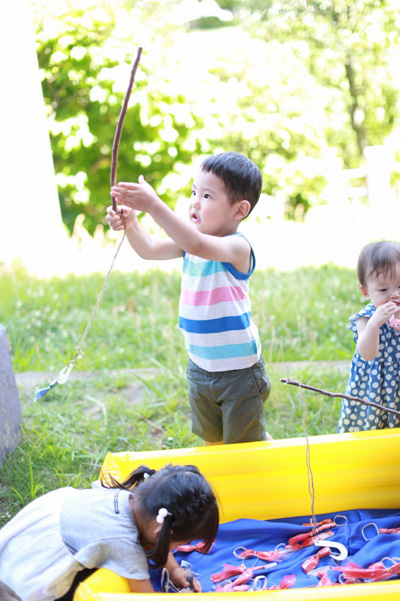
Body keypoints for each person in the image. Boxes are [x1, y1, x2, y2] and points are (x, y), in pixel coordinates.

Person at [106, 151, 271, 445]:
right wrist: (132, 224)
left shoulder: (236, 247)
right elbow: (150, 249)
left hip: (239, 373)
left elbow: (195, 242)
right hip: (200, 366)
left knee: (246, 444)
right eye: (194, 191)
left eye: (207, 196)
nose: (194, 201)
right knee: (213, 440)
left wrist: (153, 205)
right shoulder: (190, 244)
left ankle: (281, 468)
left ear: (239, 210)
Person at [0, 463, 219, 599]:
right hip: (24, 573)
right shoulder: (125, 546)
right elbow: (147, 599)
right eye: (179, 544)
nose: (178, 549)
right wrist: (184, 598)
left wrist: (174, 570)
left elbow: (160, 536)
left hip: (41, 523)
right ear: (161, 530)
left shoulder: (131, 499)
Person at [337, 240, 400, 433]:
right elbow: (367, 353)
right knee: (373, 424)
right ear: (366, 292)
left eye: (400, 285)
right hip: (374, 386)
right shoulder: (364, 318)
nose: (394, 294)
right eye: (383, 290)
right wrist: (375, 323)